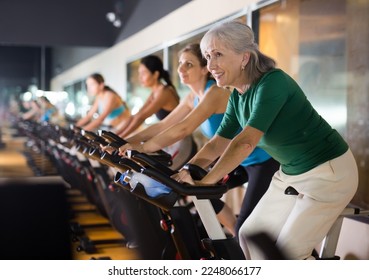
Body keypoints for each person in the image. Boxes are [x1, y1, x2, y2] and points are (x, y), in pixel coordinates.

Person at [175, 20, 358, 260]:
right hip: (291, 174)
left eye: (218, 54)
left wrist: (207, 182)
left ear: (245, 58)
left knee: (287, 255)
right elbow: (217, 143)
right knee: (249, 236)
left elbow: (245, 142)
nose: (211, 65)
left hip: (328, 173)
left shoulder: (272, 83)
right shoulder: (237, 97)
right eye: (208, 56)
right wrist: (188, 170)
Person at [115, 43, 279, 237]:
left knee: (244, 223)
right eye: (180, 63)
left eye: (189, 64)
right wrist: (122, 142)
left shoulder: (215, 93)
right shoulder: (193, 96)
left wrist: (143, 147)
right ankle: (234, 243)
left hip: (262, 161)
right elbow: (163, 125)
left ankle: (243, 247)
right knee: (199, 192)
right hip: (236, 160)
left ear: (204, 69)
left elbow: (183, 128)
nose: (181, 69)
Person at [114, 55, 180, 139]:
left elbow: (141, 117)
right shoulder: (155, 92)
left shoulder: (164, 92)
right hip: (171, 137)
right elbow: (137, 115)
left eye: (143, 73)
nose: (140, 77)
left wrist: (119, 138)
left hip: (180, 140)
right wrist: (114, 135)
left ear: (155, 74)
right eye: (139, 73)